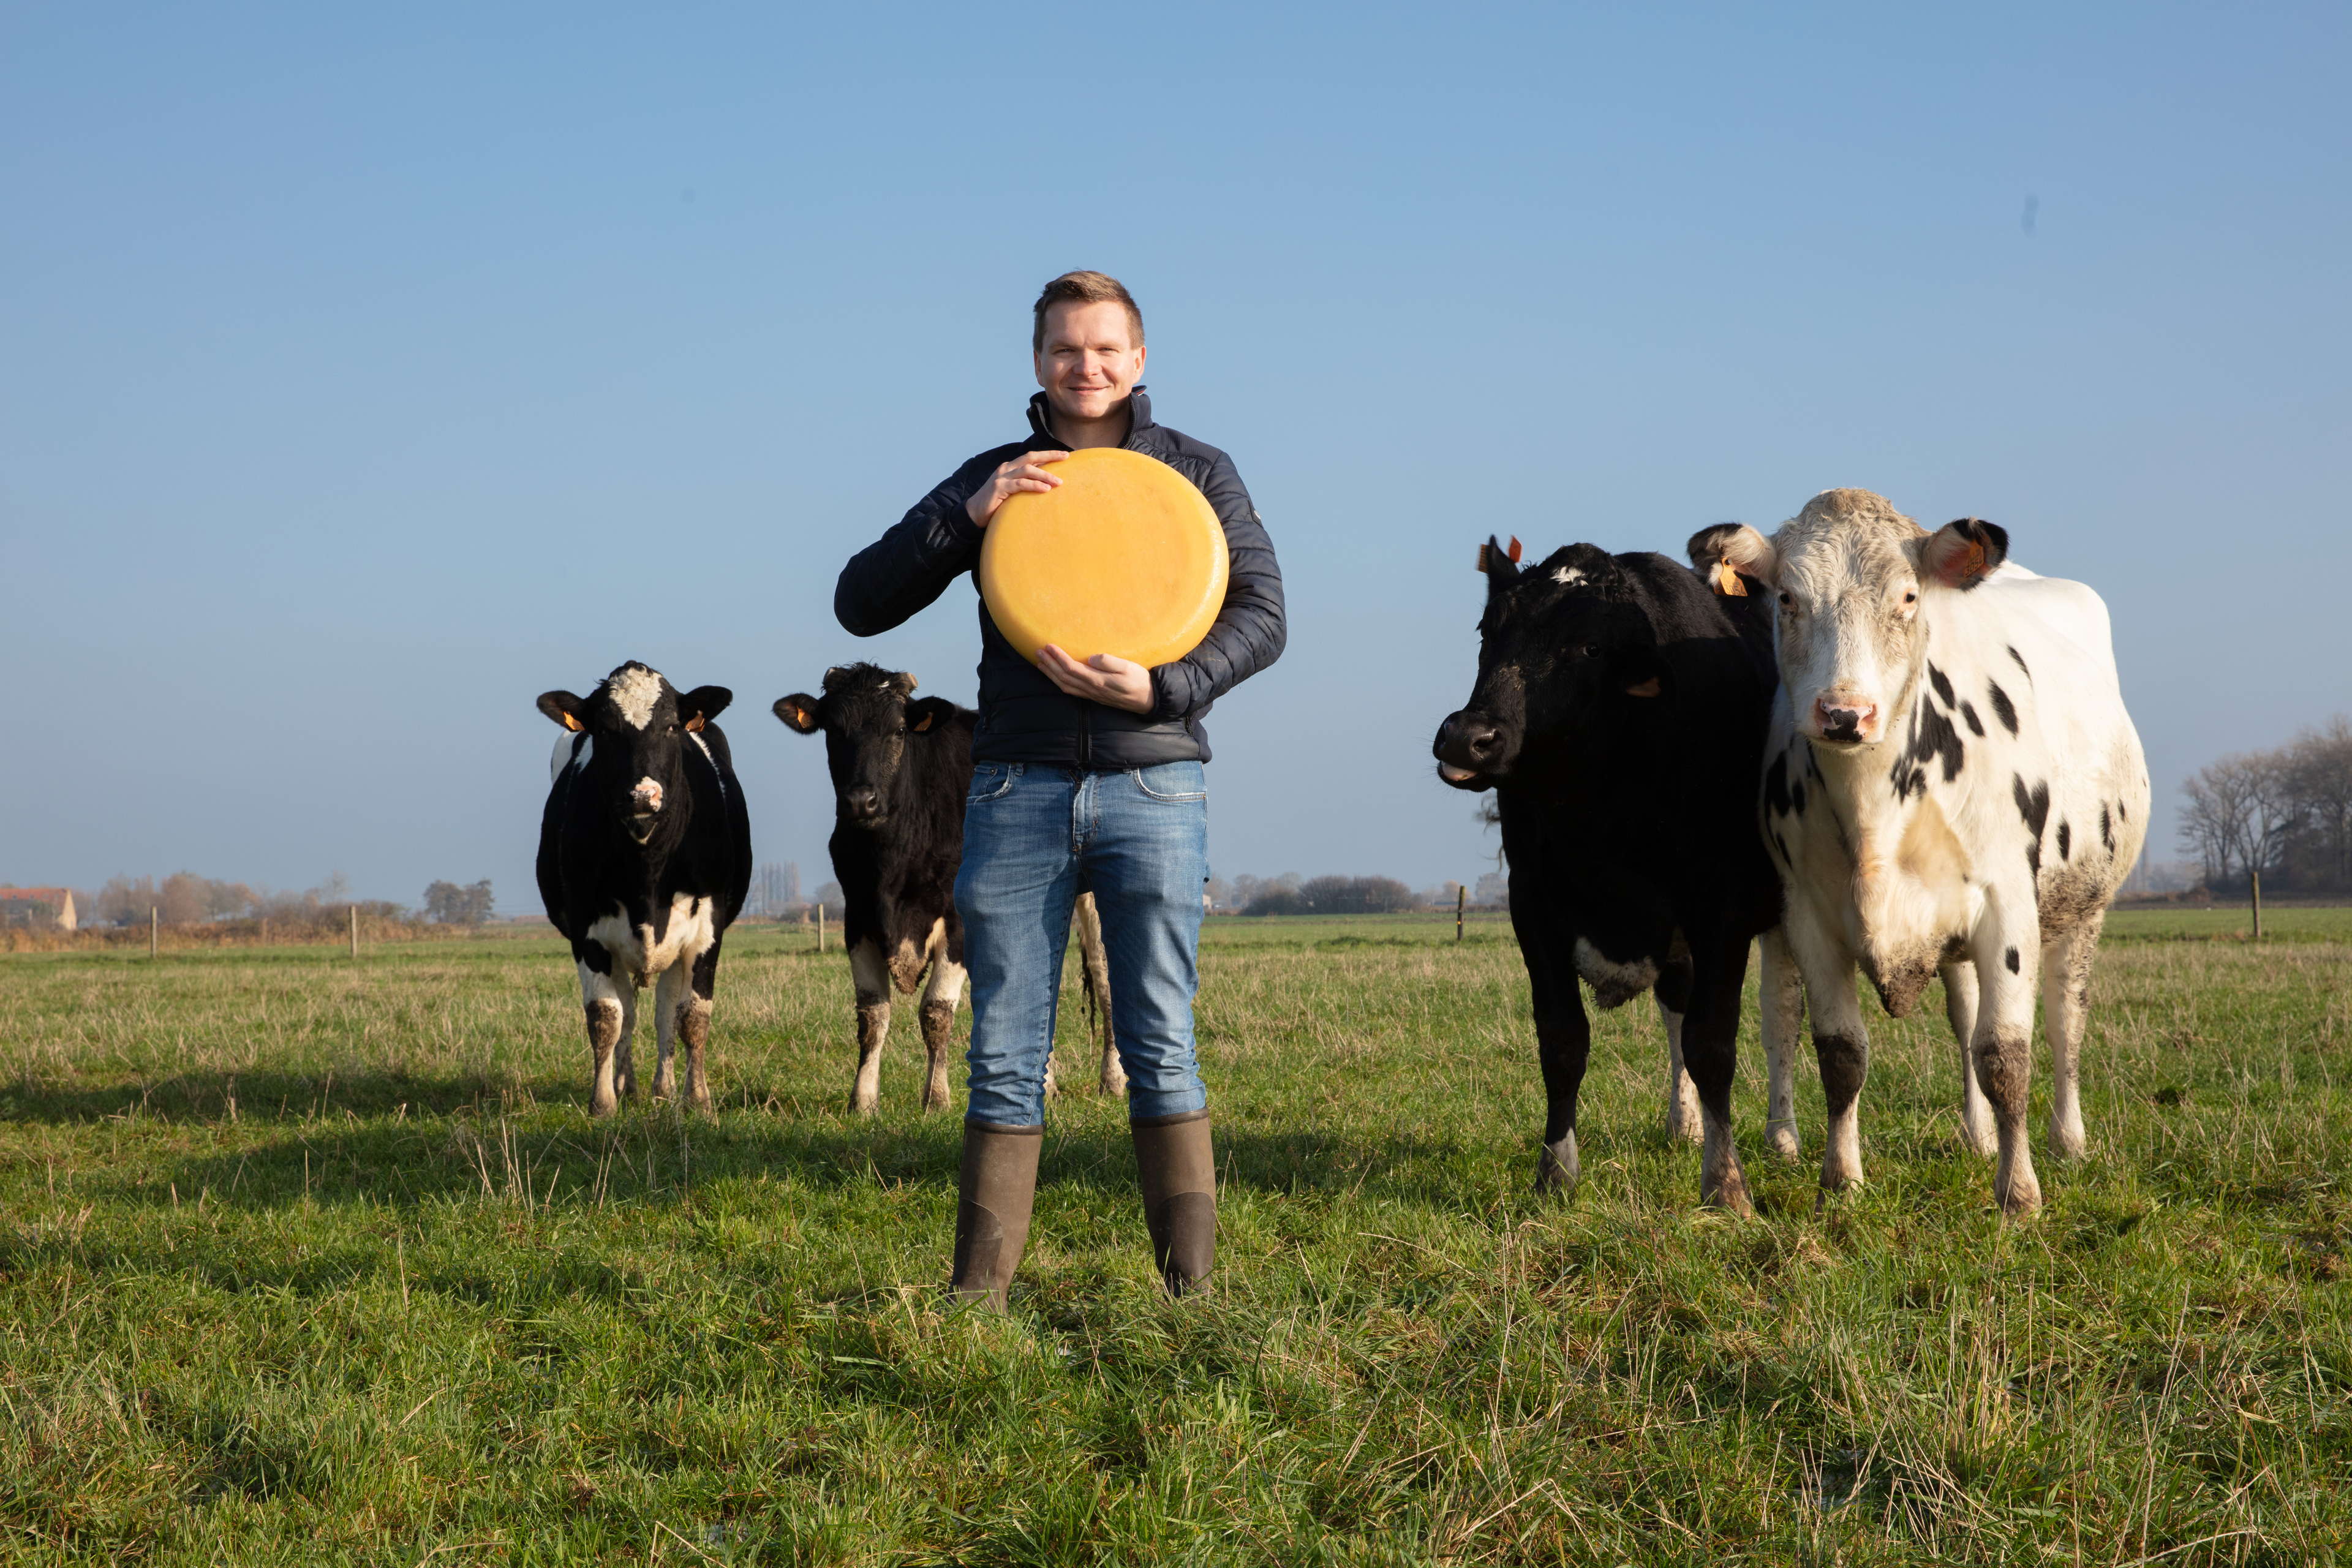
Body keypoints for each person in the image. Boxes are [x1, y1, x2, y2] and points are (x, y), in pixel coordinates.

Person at [834, 271, 1286, 1305]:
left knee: (1161, 1039)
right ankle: (975, 1300)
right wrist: (967, 515)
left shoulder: (1196, 475)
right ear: (1038, 363)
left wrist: (1167, 684)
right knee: (1003, 1049)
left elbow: (1263, 614)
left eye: (1105, 349)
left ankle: (1193, 1302)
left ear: (1139, 359)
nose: (1086, 368)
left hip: (1155, 784)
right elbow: (860, 602)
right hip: (1014, 793)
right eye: (1064, 350)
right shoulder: (995, 475)